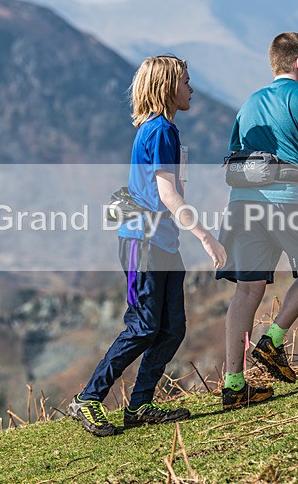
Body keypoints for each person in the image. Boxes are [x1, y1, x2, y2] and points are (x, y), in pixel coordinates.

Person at [68, 55, 227, 436]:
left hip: (163, 242)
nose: (192, 89)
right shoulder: (159, 131)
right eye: (186, 81)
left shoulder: (165, 130)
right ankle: (88, 399)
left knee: (171, 328)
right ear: (169, 86)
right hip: (143, 241)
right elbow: (167, 193)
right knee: (142, 327)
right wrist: (205, 236)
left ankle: (139, 406)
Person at [216, 32, 298, 410]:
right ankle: (273, 339)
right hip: (288, 199)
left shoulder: (249, 102)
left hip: (242, 204)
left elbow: (236, 154)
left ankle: (234, 385)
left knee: (247, 291)